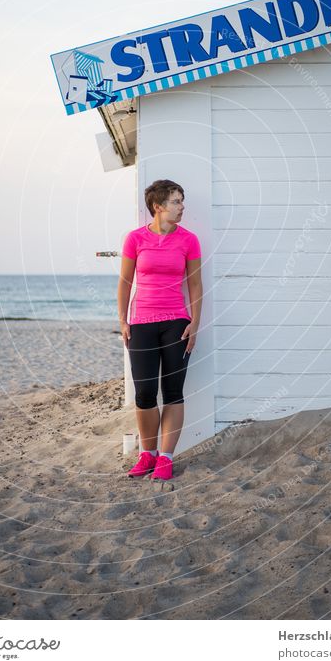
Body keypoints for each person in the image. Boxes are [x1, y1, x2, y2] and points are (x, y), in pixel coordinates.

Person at [118, 179, 203, 481]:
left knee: (172, 393)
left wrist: (195, 322)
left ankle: (166, 458)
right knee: (144, 393)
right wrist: (123, 320)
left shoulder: (188, 240)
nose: (182, 207)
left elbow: (194, 284)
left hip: (176, 324)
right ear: (158, 206)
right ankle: (147, 454)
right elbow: (126, 281)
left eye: (181, 201)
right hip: (141, 324)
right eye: (176, 201)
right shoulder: (135, 239)